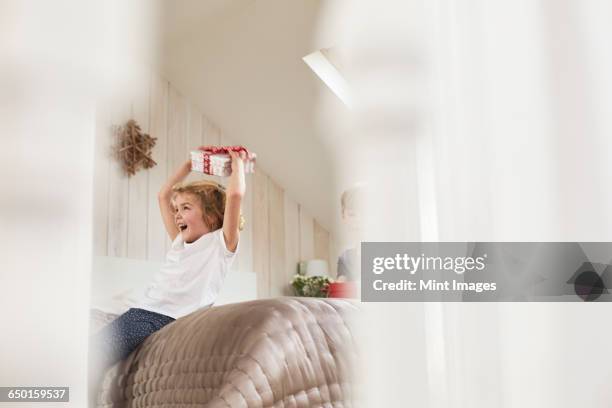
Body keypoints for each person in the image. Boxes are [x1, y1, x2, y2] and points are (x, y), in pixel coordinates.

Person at [88, 148, 247, 405]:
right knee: (93, 354)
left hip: (164, 317)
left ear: (213, 215)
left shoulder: (220, 245)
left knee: (93, 354)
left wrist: (238, 162)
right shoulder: (180, 242)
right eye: (176, 209)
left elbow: (235, 194)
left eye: (186, 208)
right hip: (144, 312)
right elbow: (163, 195)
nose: (177, 214)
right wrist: (190, 163)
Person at [336, 186, 363, 282]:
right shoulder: (345, 258)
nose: (358, 220)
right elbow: (340, 287)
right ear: (343, 216)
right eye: (352, 214)